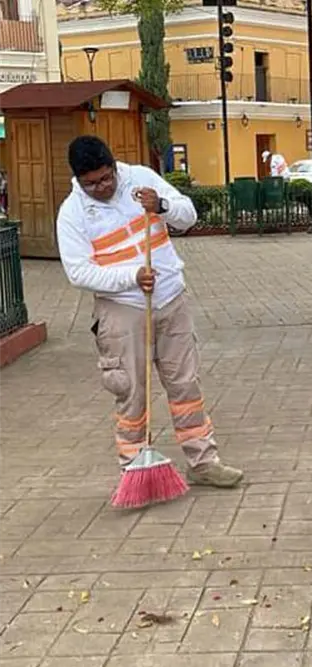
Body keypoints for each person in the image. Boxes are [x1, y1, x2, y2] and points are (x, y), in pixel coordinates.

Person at [57, 136, 244, 488]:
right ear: (78, 180)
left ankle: (203, 460)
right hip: (122, 309)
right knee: (131, 391)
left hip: (170, 298)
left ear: (114, 165)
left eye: (106, 177)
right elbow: (77, 272)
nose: (102, 187)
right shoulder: (73, 213)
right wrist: (130, 276)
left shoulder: (142, 179)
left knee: (185, 383)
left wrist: (161, 206)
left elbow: (188, 217)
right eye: (92, 183)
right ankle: (135, 470)